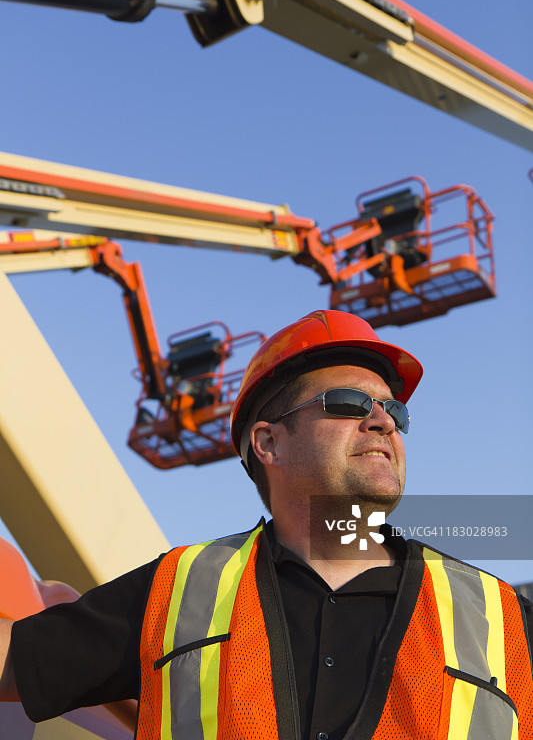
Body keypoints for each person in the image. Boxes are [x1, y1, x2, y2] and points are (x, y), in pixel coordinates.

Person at [1, 309, 532, 739]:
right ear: (268, 443)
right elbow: (17, 661)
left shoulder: (504, 620)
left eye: (396, 411)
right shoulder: (177, 592)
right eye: (349, 403)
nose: (385, 421)